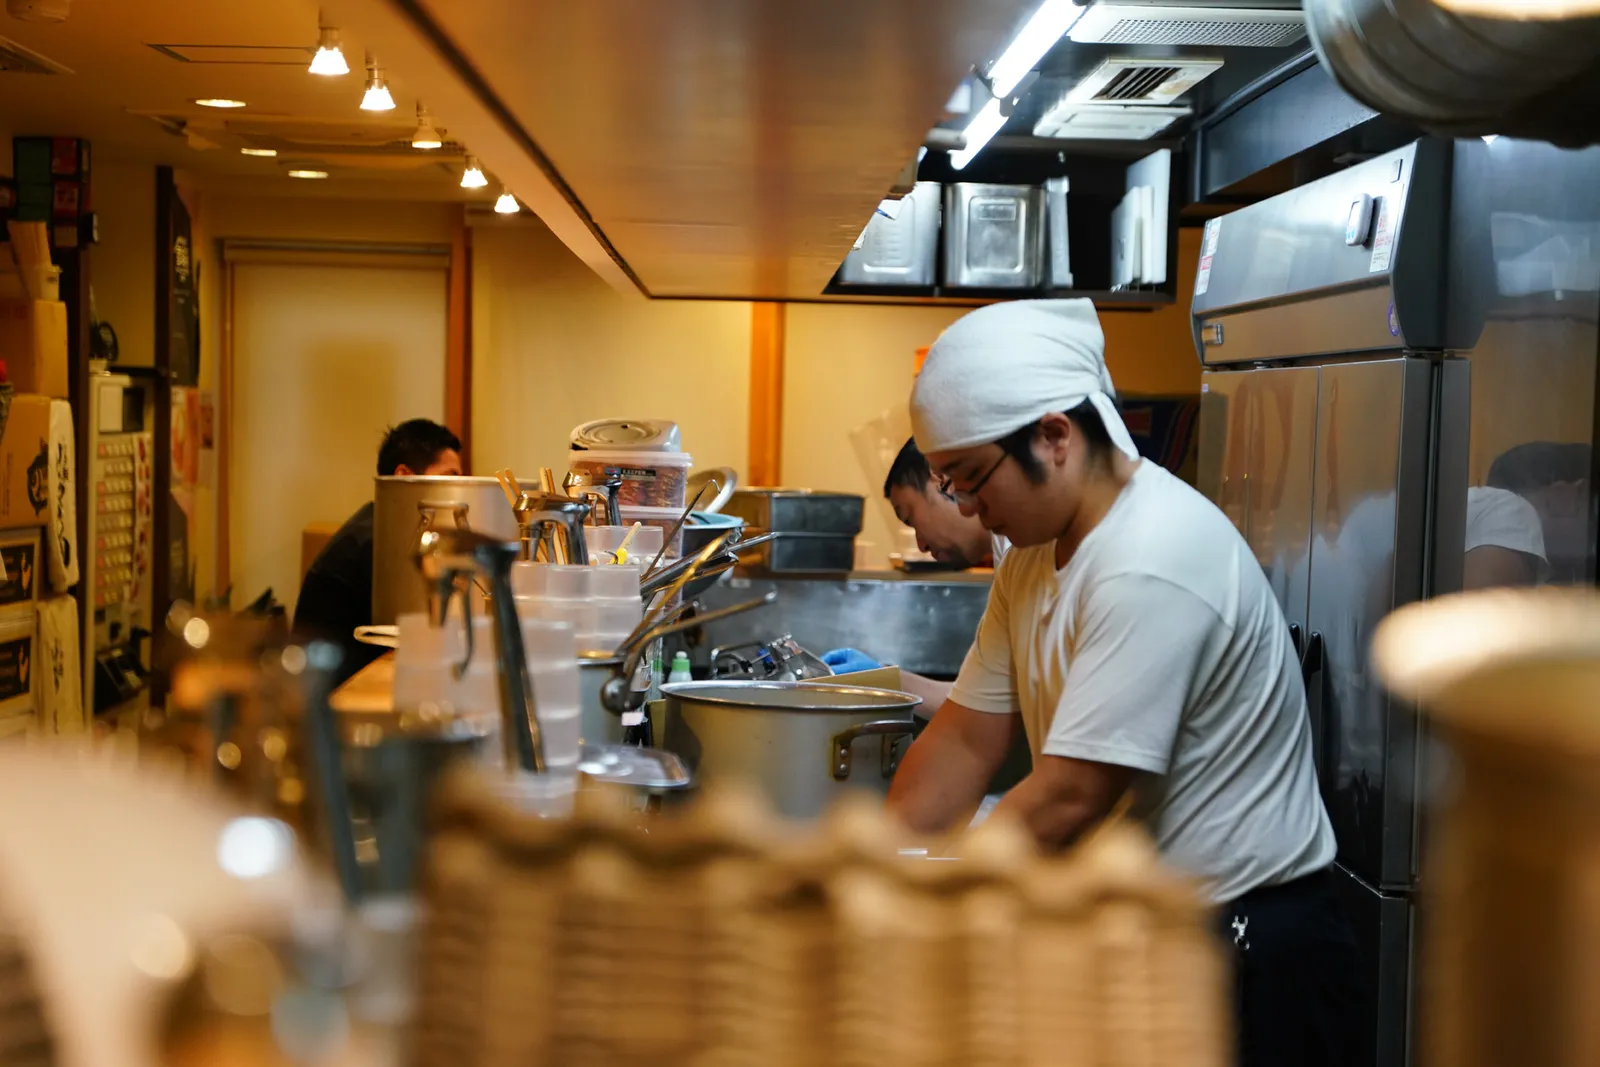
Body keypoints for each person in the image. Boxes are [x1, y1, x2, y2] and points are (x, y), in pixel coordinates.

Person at [885, 299, 1356, 1067]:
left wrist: (933, 911)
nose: (968, 506)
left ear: (1054, 436)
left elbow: (1073, 792)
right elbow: (964, 741)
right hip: (1143, 926)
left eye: (971, 479)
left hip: (1247, 943)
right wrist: (874, 874)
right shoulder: (1031, 555)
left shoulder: (1152, 554)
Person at [821, 437, 1010, 706]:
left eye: (910, 518)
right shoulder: (1007, 552)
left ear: (941, 478)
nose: (921, 545)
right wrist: (884, 680)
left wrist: (885, 681)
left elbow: (987, 704)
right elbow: (981, 698)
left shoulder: (1020, 545)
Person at [293, 419, 463, 685]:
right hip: (330, 693)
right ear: (404, 477)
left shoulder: (385, 526)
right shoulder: (375, 540)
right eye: (450, 478)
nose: (458, 493)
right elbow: (418, 624)